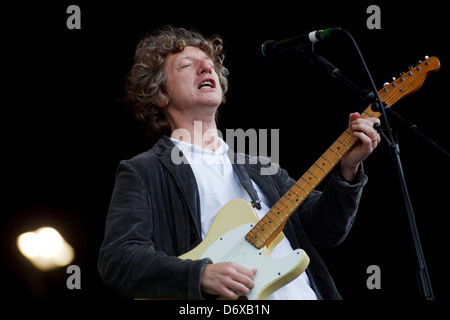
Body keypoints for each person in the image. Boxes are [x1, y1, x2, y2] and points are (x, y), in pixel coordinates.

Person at [97, 26, 381, 300]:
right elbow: (118, 259)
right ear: (160, 95)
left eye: (209, 64)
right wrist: (199, 275)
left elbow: (326, 230)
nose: (207, 68)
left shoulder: (260, 167)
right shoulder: (145, 171)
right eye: (186, 65)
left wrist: (347, 171)